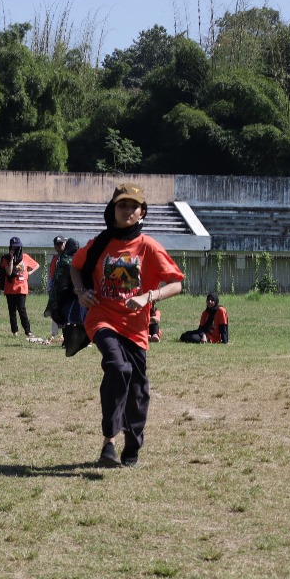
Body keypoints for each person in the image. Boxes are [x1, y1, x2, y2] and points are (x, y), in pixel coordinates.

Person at [70, 183, 184, 467]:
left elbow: (176, 283)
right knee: (117, 367)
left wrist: (148, 297)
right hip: (102, 318)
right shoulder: (99, 243)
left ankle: (132, 444)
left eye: (134, 206)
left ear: (142, 212)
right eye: (122, 205)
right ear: (113, 209)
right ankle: (108, 441)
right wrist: (81, 292)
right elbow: (76, 266)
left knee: (138, 393)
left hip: (135, 328)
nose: (128, 211)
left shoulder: (148, 246)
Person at [0, 236, 40, 338]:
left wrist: (29, 272)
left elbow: (37, 265)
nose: (15, 248)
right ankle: (15, 330)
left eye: (17, 246)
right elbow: (9, 273)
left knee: (22, 309)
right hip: (10, 288)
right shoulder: (5, 258)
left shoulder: (25, 257)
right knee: (12, 311)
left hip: (21, 287)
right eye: (13, 247)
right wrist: (11, 259)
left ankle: (28, 331)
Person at [43, 235, 66, 342]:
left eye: (61, 244)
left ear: (65, 244)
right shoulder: (55, 258)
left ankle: (66, 334)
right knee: (54, 310)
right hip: (55, 288)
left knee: (66, 311)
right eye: (57, 244)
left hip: (66, 288)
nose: (59, 246)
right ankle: (54, 333)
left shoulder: (69, 257)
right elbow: (52, 275)